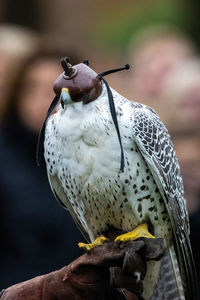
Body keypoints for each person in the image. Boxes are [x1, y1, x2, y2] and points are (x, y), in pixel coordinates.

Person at [0, 49, 83, 290]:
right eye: (32, 89)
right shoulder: (5, 159)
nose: (43, 100)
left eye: (56, 92)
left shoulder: (101, 160)